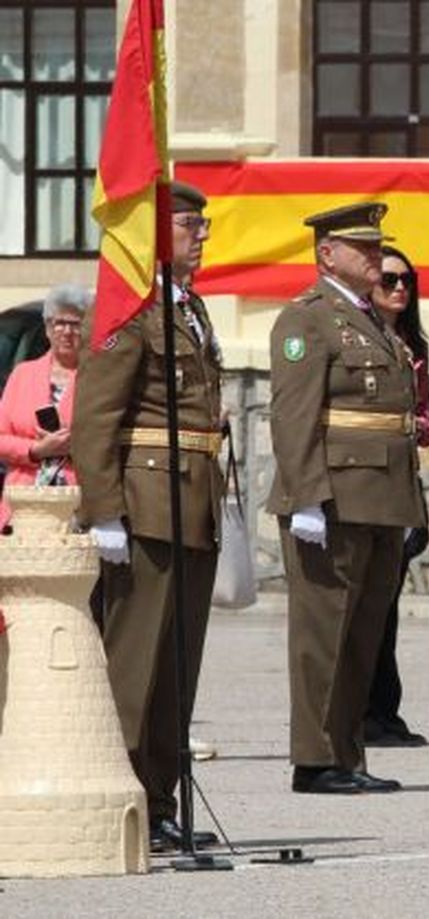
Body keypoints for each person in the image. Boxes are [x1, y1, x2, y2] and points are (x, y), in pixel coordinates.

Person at [72, 181, 225, 847]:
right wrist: (105, 510)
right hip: (146, 504)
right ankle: (121, 799)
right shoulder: (128, 313)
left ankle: (161, 799)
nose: (202, 235)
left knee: (175, 671)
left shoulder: (191, 309)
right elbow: (96, 417)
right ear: (158, 232)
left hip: (192, 501)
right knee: (134, 665)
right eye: (192, 224)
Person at [269, 201, 425, 794]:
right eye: (363, 248)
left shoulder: (370, 318)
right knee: (323, 636)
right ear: (327, 254)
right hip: (333, 498)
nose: (375, 257)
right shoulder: (307, 319)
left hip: (380, 499)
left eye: (377, 246)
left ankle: (347, 753)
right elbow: (294, 416)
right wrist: (306, 496)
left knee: (362, 635)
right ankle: (314, 758)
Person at [360, 245, 429, 748]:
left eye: (406, 281)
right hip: (366, 483)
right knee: (363, 607)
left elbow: (424, 417)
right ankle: (361, 711)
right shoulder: (358, 340)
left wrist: (421, 424)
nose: (400, 290)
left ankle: (385, 709)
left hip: (403, 480)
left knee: (387, 606)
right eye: (389, 281)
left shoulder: (411, 345)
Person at [0, 283, 88, 529]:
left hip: (76, 505)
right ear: (47, 328)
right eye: (59, 322)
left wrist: (71, 447)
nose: (66, 331)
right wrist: (36, 449)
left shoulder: (96, 378)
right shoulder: (22, 374)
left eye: (76, 324)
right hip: (23, 504)